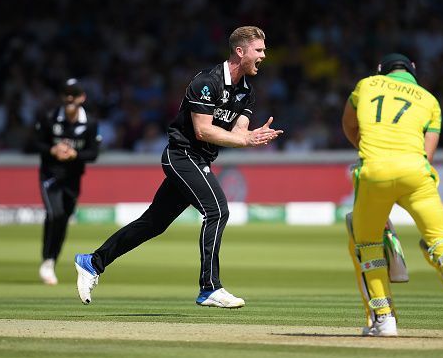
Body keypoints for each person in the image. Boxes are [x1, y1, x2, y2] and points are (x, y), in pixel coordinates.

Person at [74, 26, 282, 308]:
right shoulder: (206, 82)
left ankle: (92, 262)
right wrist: (245, 140)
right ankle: (210, 287)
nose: (264, 56)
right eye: (259, 50)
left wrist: (249, 136)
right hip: (181, 155)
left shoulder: (246, 91)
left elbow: (239, 129)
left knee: (153, 224)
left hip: (200, 160)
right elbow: (203, 131)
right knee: (218, 210)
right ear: (240, 51)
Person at [341, 53, 443, 338]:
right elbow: (427, 154)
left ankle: (384, 320)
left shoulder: (367, 85)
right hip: (417, 174)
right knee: (440, 237)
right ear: (413, 71)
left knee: (367, 243)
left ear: (381, 71)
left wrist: (370, 148)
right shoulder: (429, 100)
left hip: (375, 171)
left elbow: (348, 124)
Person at [33, 79, 101, 285]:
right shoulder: (48, 117)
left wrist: (74, 154)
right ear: (61, 96)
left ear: (82, 97)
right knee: (55, 213)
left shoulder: (89, 122)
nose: (70, 98)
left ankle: (51, 259)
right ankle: (47, 260)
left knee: (62, 220)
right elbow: (35, 142)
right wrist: (52, 150)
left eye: (75, 94)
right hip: (50, 174)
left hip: (72, 178)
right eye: (66, 94)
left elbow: (93, 153)